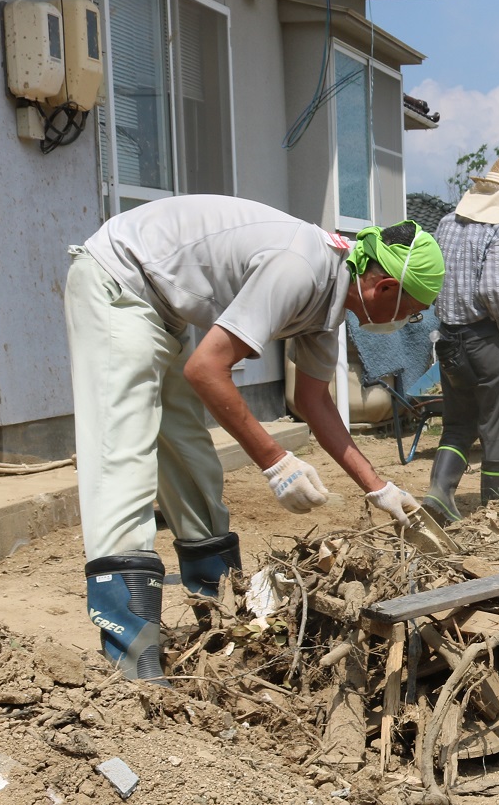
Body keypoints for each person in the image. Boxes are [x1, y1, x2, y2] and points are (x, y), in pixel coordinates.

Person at [64, 195, 438, 680]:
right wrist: (275, 461)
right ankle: (131, 666)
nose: (406, 323)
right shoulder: (302, 268)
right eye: (410, 312)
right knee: (125, 455)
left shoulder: (331, 296)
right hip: (118, 280)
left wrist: (379, 487)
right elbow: (206, 369)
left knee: (192, 461)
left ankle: (219, 632)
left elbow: (313, 401)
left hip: (162, 309)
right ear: (385, 286)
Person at [421, 156, 499, 523]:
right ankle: (496, 511)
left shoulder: (446, 223)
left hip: (448, 340)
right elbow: (493, 289)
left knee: (459, 423)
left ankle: (438, 496)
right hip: (485, 341)